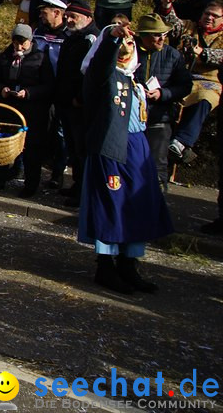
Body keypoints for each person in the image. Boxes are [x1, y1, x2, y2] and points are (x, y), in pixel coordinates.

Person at [78, 20, 173, 293]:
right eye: (121, 43)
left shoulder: (133, 79)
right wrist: (112, 39)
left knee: (137, 204)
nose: (125, 47)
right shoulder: (103, 76)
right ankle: (105, 267)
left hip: (137, 147)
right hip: (112, 148)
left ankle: (129, 264)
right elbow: (101, 65)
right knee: (112, 205)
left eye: (130, 43)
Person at [158, 0, 223, 165]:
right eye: (207, 14)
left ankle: (181, 142)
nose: (209, 17)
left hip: (208, 80)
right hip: (182, 76)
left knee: (205, 99)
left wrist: (203, 53)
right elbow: (172, 25)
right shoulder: (189, 27)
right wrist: (166, 6)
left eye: (215, 16)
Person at [131, 13, 192, 188]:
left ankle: (156, 205)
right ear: (143, 36)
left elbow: (185, 86)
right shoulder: (129, 51)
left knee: (157, 166)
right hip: (132, 119)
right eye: (157, 35)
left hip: (159, 118)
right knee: (132, 164)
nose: (161, 39)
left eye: (164, 35)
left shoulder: (172, 55)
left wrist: (162, 93)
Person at [0, 24, 49, 197]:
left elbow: (48, 86)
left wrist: (29, 93)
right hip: (8, 110)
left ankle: (30, 186)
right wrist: (2, 90)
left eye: (23, 44)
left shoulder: (40, 58)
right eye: (16, 43)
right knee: (2, 148)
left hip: (32, 112)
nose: (19, 47)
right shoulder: (5, 57)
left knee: (32, 151)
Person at [51, 0, 98, 200]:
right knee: (72, 146)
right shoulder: (71, 36)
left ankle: (83, 190)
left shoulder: (91, 38)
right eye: (67, 16)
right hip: (65, 100)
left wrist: (80, 97)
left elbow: (90, 74)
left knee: (81, 148)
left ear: (87, 18)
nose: (68, 20)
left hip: (80, 104)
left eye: (73, 17)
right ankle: (77, 184)